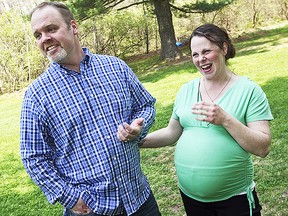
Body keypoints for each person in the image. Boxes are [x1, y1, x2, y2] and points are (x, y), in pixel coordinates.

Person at [20, 2, 161, 216]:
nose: (44, 39)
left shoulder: (115, 67)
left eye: (51, 29)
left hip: (139, 199)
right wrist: (70, 198)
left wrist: (138, 127)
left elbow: (145, 105)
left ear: (73, 27)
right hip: (91, 209)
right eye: (38, 35)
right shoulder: (36, 96)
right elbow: (33, 157)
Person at [131, 23, 273, 216]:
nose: (200, 59)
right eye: (195, 54)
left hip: (235, 200)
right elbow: (172, 132)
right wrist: (139, 140)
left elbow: (262, 147)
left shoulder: (249, 91)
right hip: (191, 199)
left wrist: (225, 120)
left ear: (224, 48)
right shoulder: (187, 90)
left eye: (206, 51)